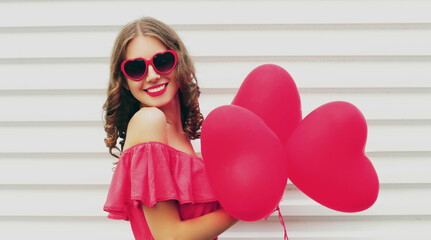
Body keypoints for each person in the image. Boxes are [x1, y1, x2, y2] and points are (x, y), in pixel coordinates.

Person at [102, 17, 238, 240]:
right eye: (136, 68)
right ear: (124, 81)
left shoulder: (182, 136)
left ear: (179, 62)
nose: (153, 76)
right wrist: (242, 207)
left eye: (162, 61)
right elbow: (169, 236)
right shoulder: (149, 121)